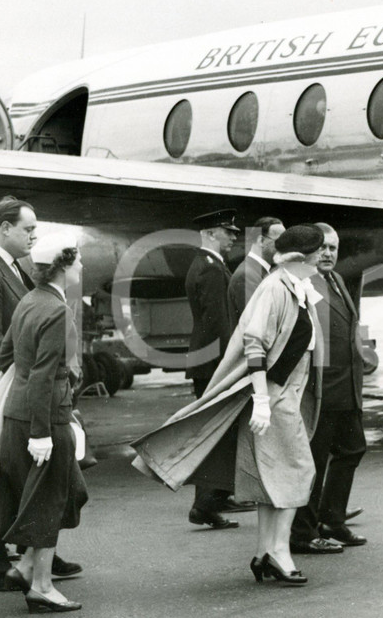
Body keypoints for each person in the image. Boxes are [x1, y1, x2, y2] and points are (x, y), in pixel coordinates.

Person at [133, 224, 326, 586]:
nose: (323, 257)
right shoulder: (276, 288)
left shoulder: (295, 286)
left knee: (275, 476)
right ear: (301, 257)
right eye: (318, 251)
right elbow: (255, 344)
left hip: (285, 393)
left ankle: (265, 553)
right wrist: (263, 400)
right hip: (274, 395)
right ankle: (279, 553)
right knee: (298, 472)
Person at [0, 197, 80, 590]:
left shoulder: (7, 267)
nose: (33, 236)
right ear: (4, 227)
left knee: (18, 477)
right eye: (27, 229)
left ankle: (35, 552)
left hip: (15, 387)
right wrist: (11, 394)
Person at [0, 232, 89, 612]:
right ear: (63, 266)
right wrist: (42, 433)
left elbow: (6, 357)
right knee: (50, 500)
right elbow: (43, 374)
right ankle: (42, 586)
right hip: (46, 417)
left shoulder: (28, 301)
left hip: (20, 413)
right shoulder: (56, 310)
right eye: (77, 260)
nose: (81, 265)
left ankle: (26, 566)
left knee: (66, 493)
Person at [290, 223, 367, 555]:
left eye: (333, 248)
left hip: (345, 389)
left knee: (352, 449)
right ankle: (302, 533)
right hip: (321, 390)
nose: (328, 254)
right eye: (322, 248)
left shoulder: (336, 279)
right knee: (315, 461)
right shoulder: (304, 283)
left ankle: (332, 519)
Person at [184, 208, 247, 530]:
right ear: (210, 234)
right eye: (228, 232)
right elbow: (219, 324)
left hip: (206, 361)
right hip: (214, 363)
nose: (233, 237)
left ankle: (218, 496)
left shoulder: (207, 264)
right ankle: (204, 505)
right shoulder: (210, 269)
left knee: (222, 431)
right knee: (217, 435)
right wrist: (231, 365)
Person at [227, 216, 285, 326]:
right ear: (261, 241)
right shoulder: (246, 275)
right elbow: (259, 324)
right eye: (280, 242)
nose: (285, 248)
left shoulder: (261, 271)